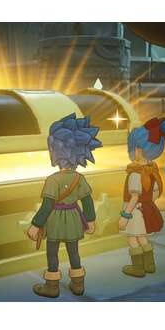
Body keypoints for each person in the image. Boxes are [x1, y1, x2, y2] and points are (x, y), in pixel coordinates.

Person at [27, 113, 103, 298]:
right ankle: (78, 285)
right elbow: (87, 201)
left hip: (55, 220)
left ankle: (52, 287)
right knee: (74, 252)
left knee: (52, 253)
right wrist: (91, 221)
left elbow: (47, 206)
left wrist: (35, 225)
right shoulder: (79, 178)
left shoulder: (52, 180)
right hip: (74, 219)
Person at [119, 117, 165, 277]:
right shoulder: (152, 171)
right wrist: (147, 204)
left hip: (134, 212)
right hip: (146, 209)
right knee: (143, 238)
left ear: (137, 150)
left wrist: (125, 216)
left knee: (132, 239)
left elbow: (134, 197)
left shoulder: (136, 174)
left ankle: (138, 268)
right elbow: (156, 192)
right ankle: (149, 265)